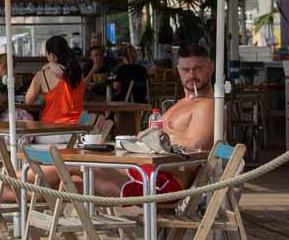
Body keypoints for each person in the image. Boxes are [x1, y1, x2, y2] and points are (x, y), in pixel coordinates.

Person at [88, 43, 216, 198]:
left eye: (198, 68)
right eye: (186, 70)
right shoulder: (182, 103)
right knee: (73, 179)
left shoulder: (206, 105)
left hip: (164, 185)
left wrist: (156, 139)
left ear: (211, 68)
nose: (192, 75)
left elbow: (198, 146)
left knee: (73, 168)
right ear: (178, 71)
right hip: (147, 173)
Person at [25, 35, 85, 125]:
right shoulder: (77, 72)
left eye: (47, 54)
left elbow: (28, 101)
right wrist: (49, 65)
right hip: (78, 128)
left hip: (52, 129)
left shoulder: (42, 75)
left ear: (51, 56)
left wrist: (47, 65)